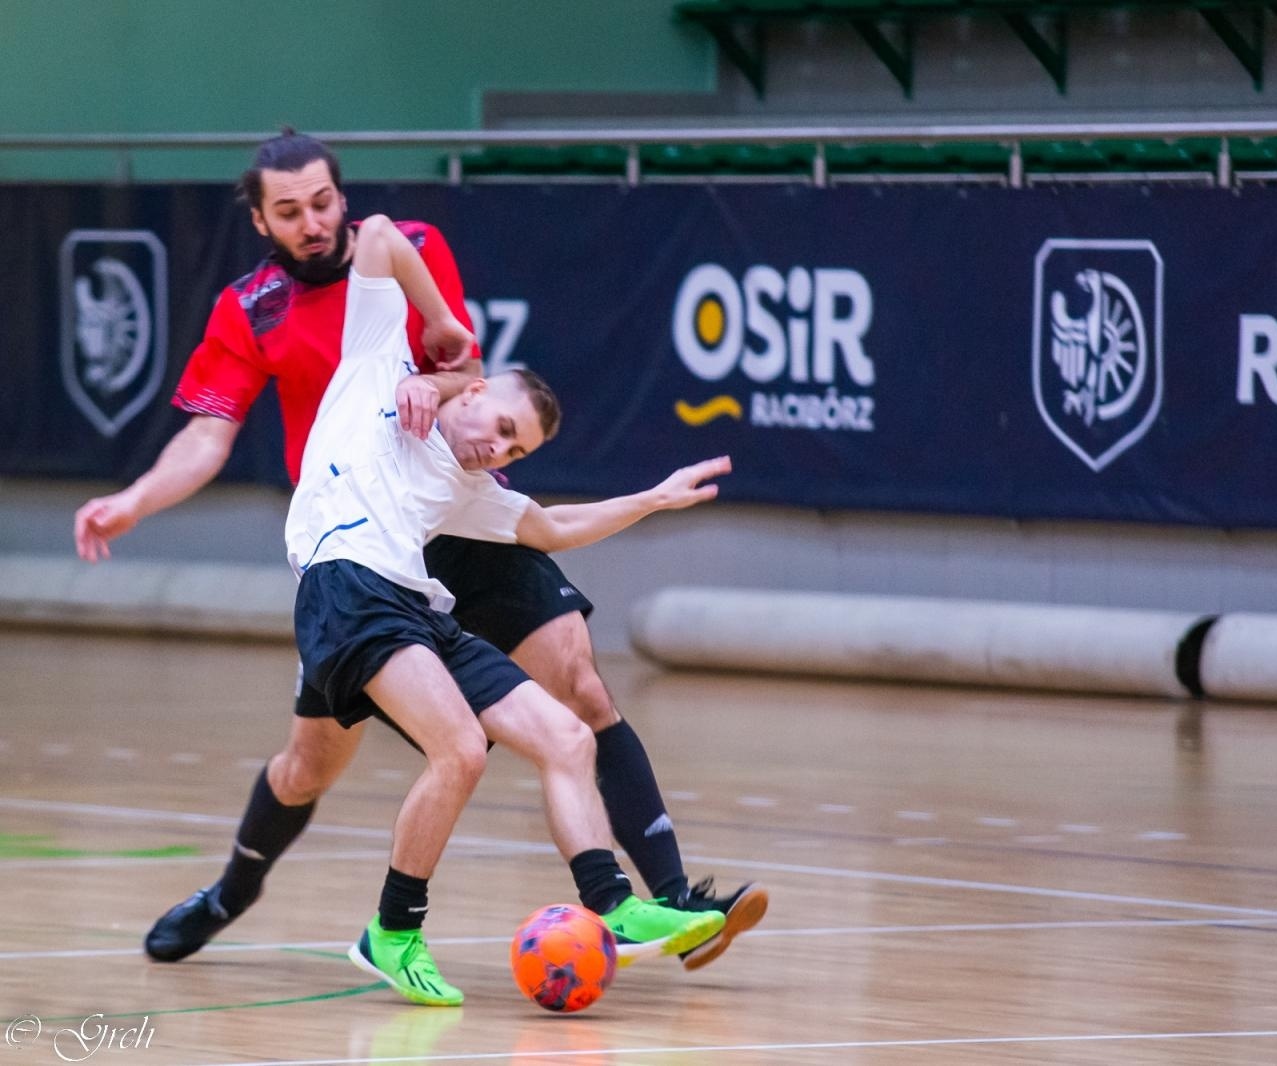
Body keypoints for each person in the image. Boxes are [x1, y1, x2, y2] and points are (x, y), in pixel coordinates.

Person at [73, 129, 766, 968]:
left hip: (454, 497)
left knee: (577, 683)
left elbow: (462, 365)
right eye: (289, 211)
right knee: (310, 764)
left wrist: (429, 378)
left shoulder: (402, 254)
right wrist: (134, 502)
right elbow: (206, 438)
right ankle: (231, 892)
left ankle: (670, 903)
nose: (312, 221)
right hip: (361, 549)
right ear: (260, 221)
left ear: (342, 196)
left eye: (324, 201)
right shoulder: (249, 308)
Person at [287, 212, 729, 1004]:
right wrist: (443, 323)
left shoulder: (469, 489)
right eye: (500, 427)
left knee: (564, 735)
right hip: (344, 584)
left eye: (516, 450)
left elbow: (553, 527)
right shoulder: (377, 365)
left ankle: (615, 908)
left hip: (415, 603)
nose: (498, 449)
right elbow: (384, 233)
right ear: (478, 391)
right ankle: (392, 931)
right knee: (460, 748)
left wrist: (655, 499)